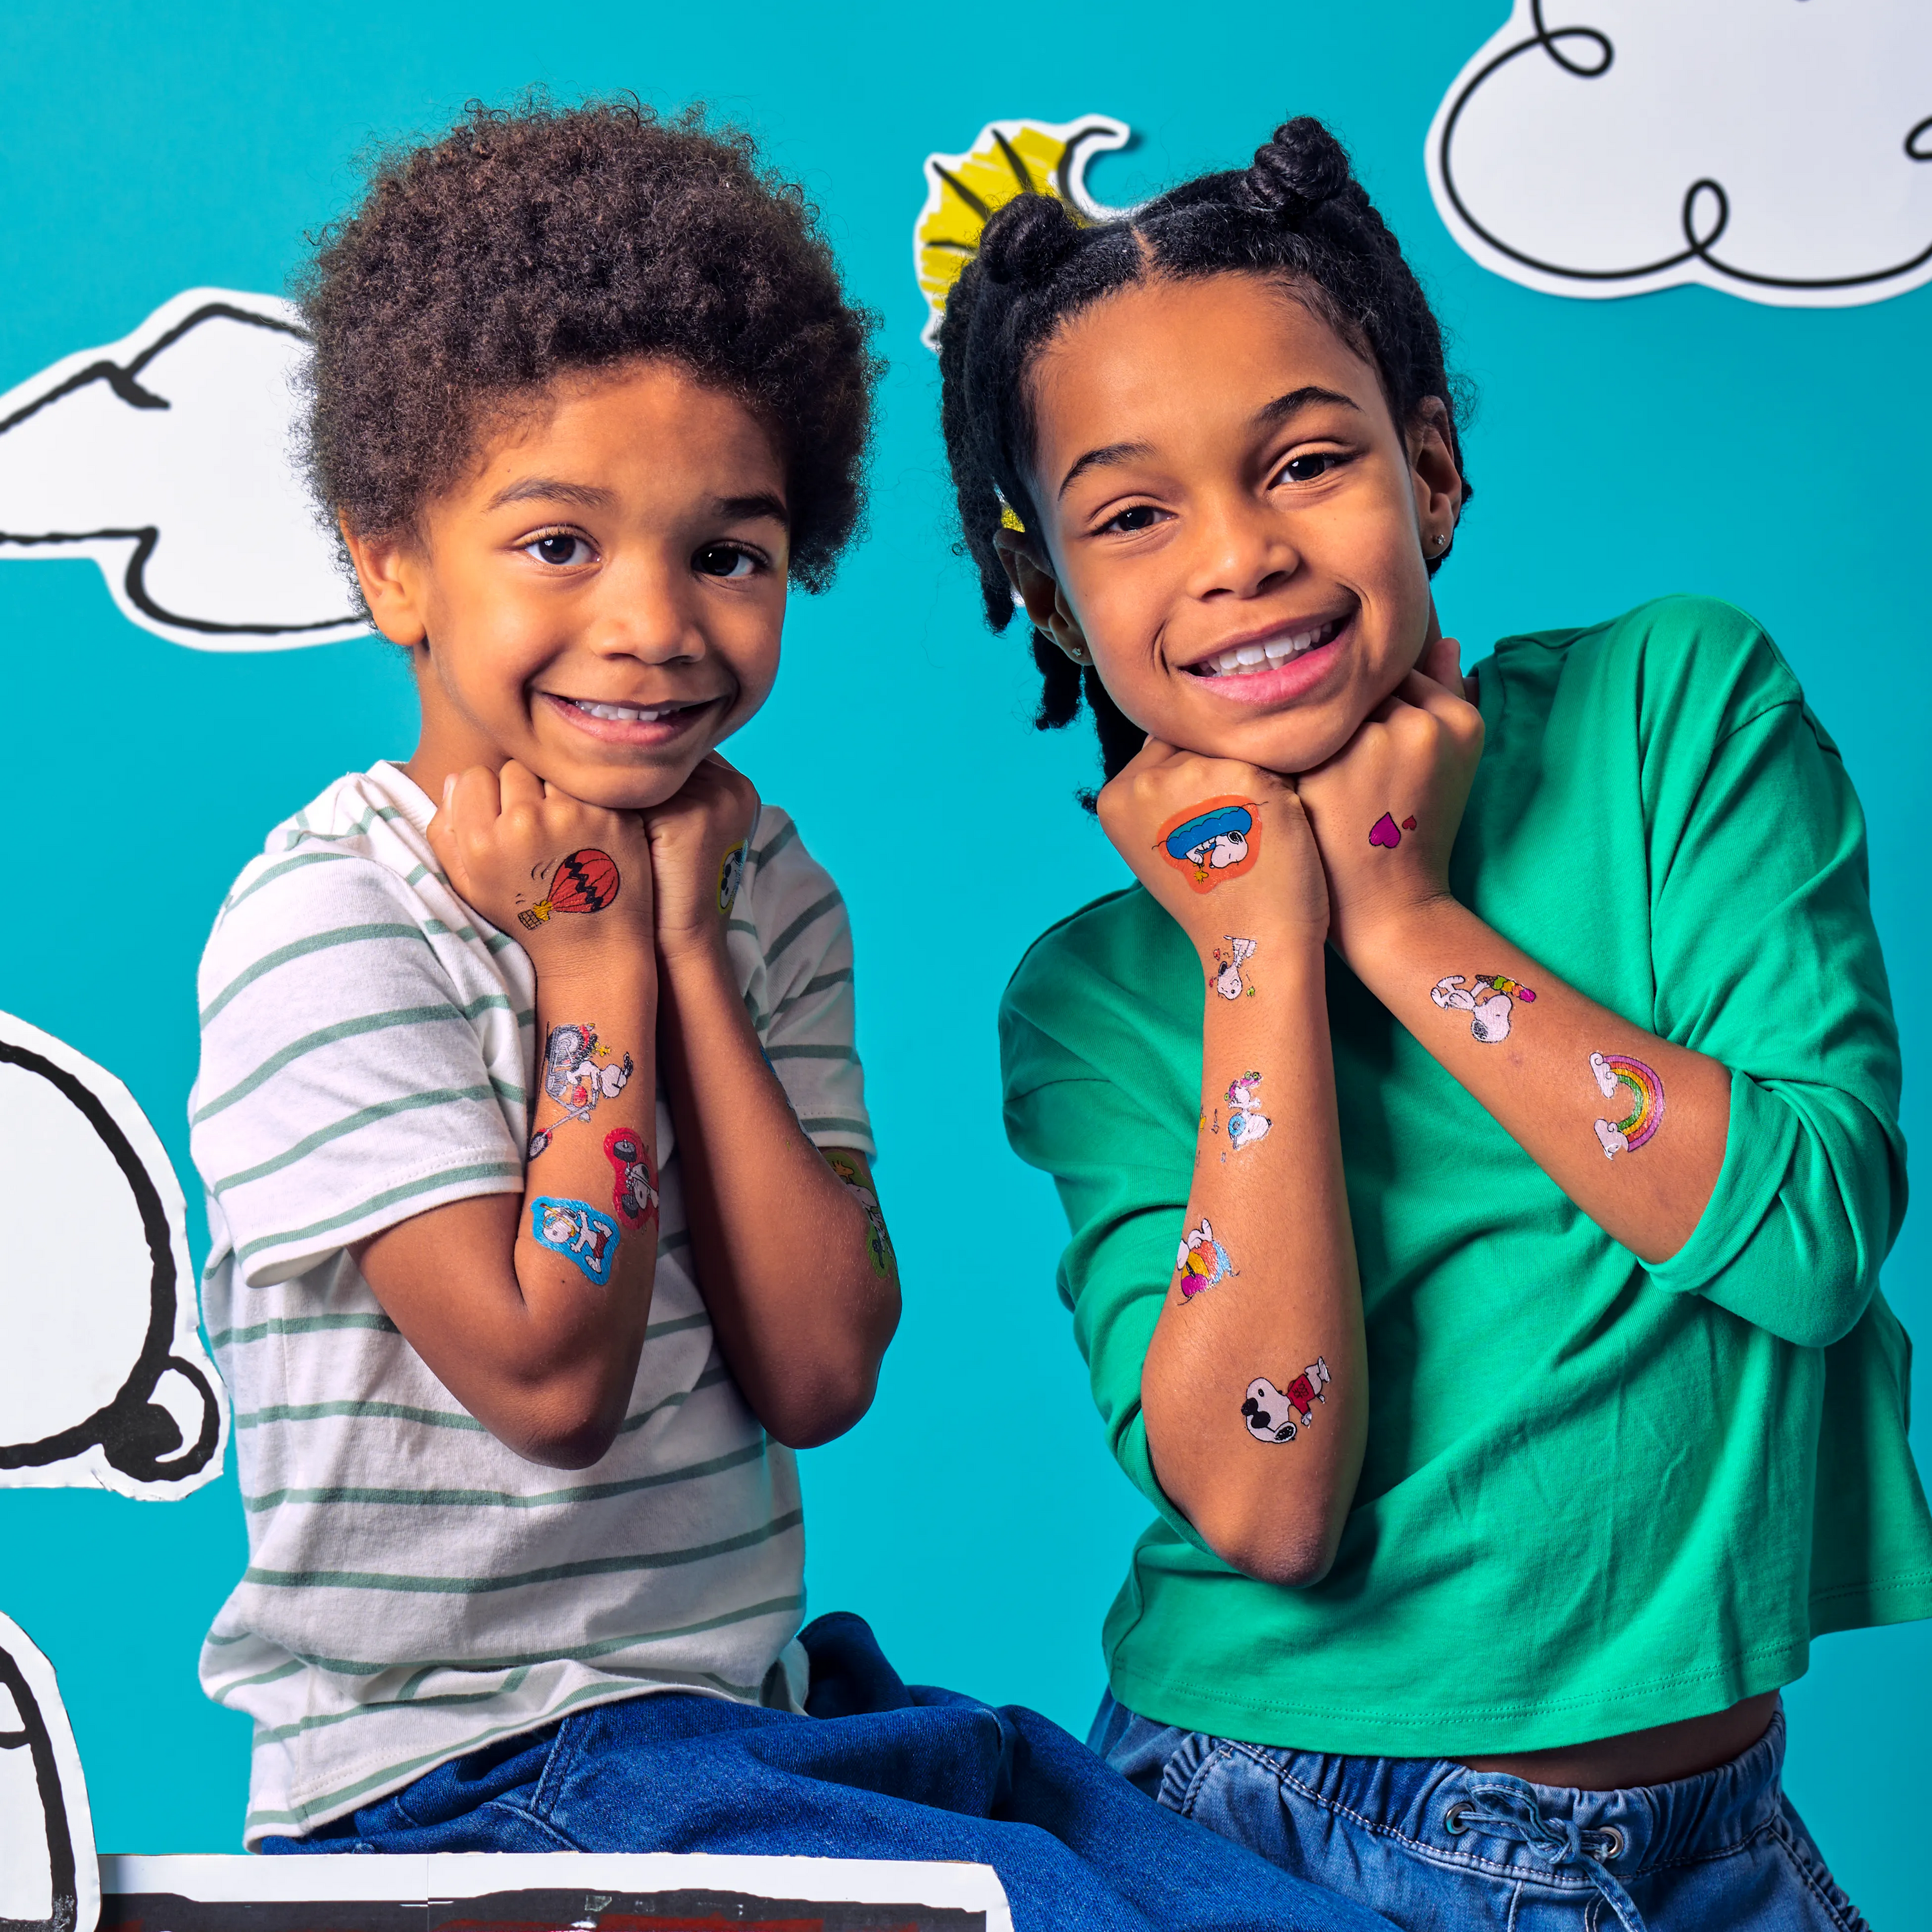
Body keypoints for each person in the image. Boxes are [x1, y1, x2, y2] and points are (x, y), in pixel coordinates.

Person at [187, 96, 1393, 1932]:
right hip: (460, 1780)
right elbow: (548, 1383)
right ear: (391, 559)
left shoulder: (767, 893)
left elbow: (822, 1369)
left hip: (746, 1716)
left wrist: (676, 953)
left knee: (1255, 1910)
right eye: (558, 545)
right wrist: (593, 978)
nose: (657, 623)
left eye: (726, 553)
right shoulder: (331, 919)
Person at [942, 113, 1932, 1931]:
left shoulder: (1674, 715)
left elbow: (1806, 1244)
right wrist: (1259, 953)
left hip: (1707, 1836)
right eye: (1135, 513)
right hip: (1271, 1823)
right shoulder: (1096, 1000)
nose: (1236, 555)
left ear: (1435, 471)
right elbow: (1265, 1505)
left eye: (1305, 462)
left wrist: (1402, 921)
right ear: (1056, 608)